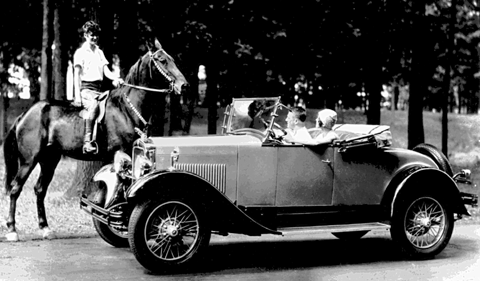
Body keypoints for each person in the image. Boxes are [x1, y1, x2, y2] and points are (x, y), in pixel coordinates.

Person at [73, 21, 123, 153]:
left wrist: (116, 78)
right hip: (86, 90)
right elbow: (76, 75)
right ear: (85, 35)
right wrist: (77, 96)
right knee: (94, 106)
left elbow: (106, 71)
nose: (94, 38)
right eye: (91, 35)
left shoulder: (99, 52)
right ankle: (87, 141)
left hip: (98, 90)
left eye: (96, 35)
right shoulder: (80, 52)